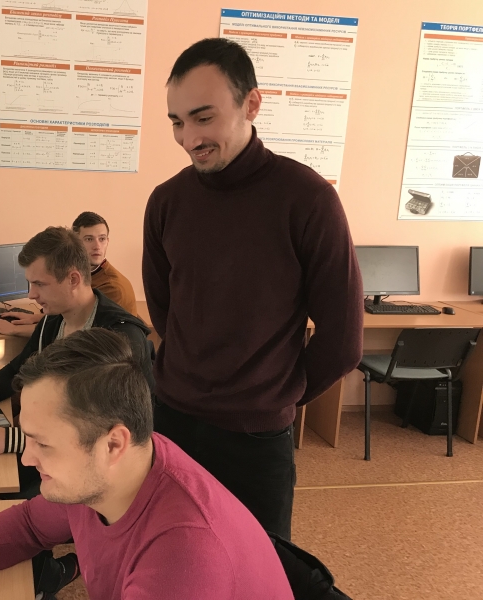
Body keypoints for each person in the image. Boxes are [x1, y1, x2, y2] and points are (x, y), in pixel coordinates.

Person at [0, 329, 295, 600]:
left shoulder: (184, 561)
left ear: (113, 443)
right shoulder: (118, 468)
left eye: (43, 444)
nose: (26, 457)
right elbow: (30, 524)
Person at [142, 38, 364, 540]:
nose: (188, 138)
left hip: (256, 438)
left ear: (252, 104)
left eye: (203, 118)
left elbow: (343, 339)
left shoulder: (308, 199)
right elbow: (164, 311)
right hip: (171, 420)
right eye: (177, 122)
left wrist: (274, 395)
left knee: (259, 566)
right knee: (170, 552)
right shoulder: (166, 202)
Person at [0, 227, 152, 487]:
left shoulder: (121, 337)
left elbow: (105, 432)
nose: (31, 295)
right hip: (44, 452)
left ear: (73, 279)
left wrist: (10, 440)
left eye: (40, 284)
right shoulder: (53, 320)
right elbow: (19, 369)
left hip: (90, 477)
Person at [0, 212, 138, 337]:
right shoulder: (87, 275)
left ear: (74, 280)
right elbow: (71, 316)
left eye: (102, 239)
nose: (97, 246)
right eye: (89, 239)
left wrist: (15, 330)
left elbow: (83, 332)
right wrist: (35, 318)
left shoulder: (113, 287)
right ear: (75, 243)